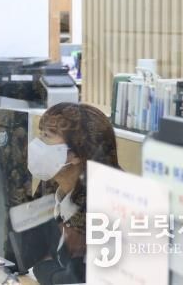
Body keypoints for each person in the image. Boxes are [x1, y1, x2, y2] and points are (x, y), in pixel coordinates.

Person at [28, 102, 121, 284]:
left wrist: (48, 271)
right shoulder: (51, 182)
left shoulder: (109, 204)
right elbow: (29, 250)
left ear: (77, 154)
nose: (37, 144)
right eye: (41, 134)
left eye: (47, 136)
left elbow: (75, 279)